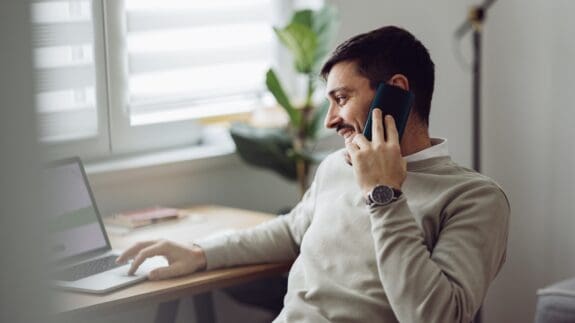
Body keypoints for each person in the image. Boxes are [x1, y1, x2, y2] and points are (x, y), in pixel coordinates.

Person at [117, 26, 510, 323]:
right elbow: (291, 231)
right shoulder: (336, 169)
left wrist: (383, 194)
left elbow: (436, 316)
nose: (330, 121)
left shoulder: (473, 198)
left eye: (342, 99)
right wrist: (202, 253)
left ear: (397, 91)